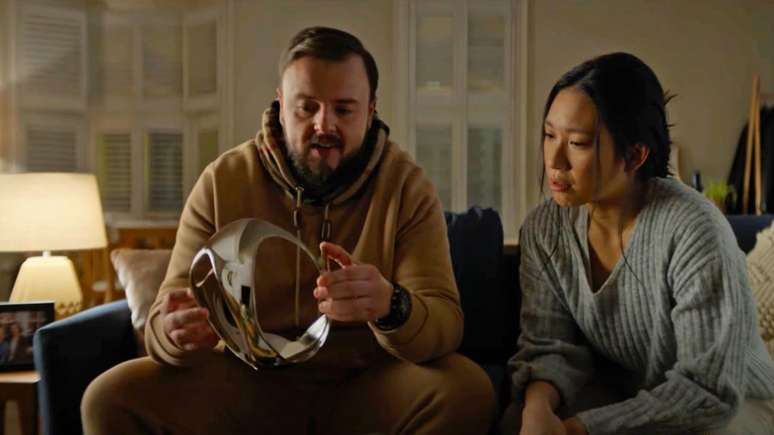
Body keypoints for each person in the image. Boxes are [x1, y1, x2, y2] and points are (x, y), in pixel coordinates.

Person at [82, 26, 495, 435]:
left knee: (466, 390)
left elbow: (445, 324)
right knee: (108, 397)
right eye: (306, 108)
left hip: (367, 384)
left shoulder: (407, 186)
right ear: (281, 106)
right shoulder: (222, 181)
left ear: (371, 111)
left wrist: (391, 305)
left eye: (344, 110)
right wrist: (174, 334)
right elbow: (165, 315)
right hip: (242, 384)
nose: (323, 125)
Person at [502, 52, 774, 435]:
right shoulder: (544, 228)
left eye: (578, 143)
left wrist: (579, 429)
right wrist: (537, 411)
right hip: (632, 393)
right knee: (517, 421)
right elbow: (549, 345)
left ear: (634, 155)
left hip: (732, 402)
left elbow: (708, 390)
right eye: (549, 135)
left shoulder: (693, 229)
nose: (555, 160)